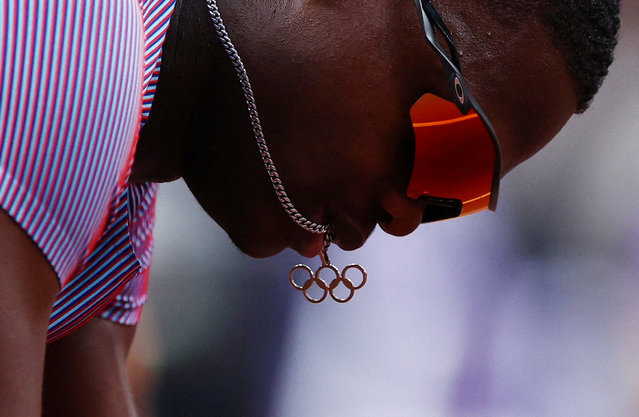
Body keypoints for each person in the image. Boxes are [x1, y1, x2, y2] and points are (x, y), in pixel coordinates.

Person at [0, 0, 620, 415]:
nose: (407, 216)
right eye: (453, 147)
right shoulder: (80, 57)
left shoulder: (129, 173)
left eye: (462, 193)